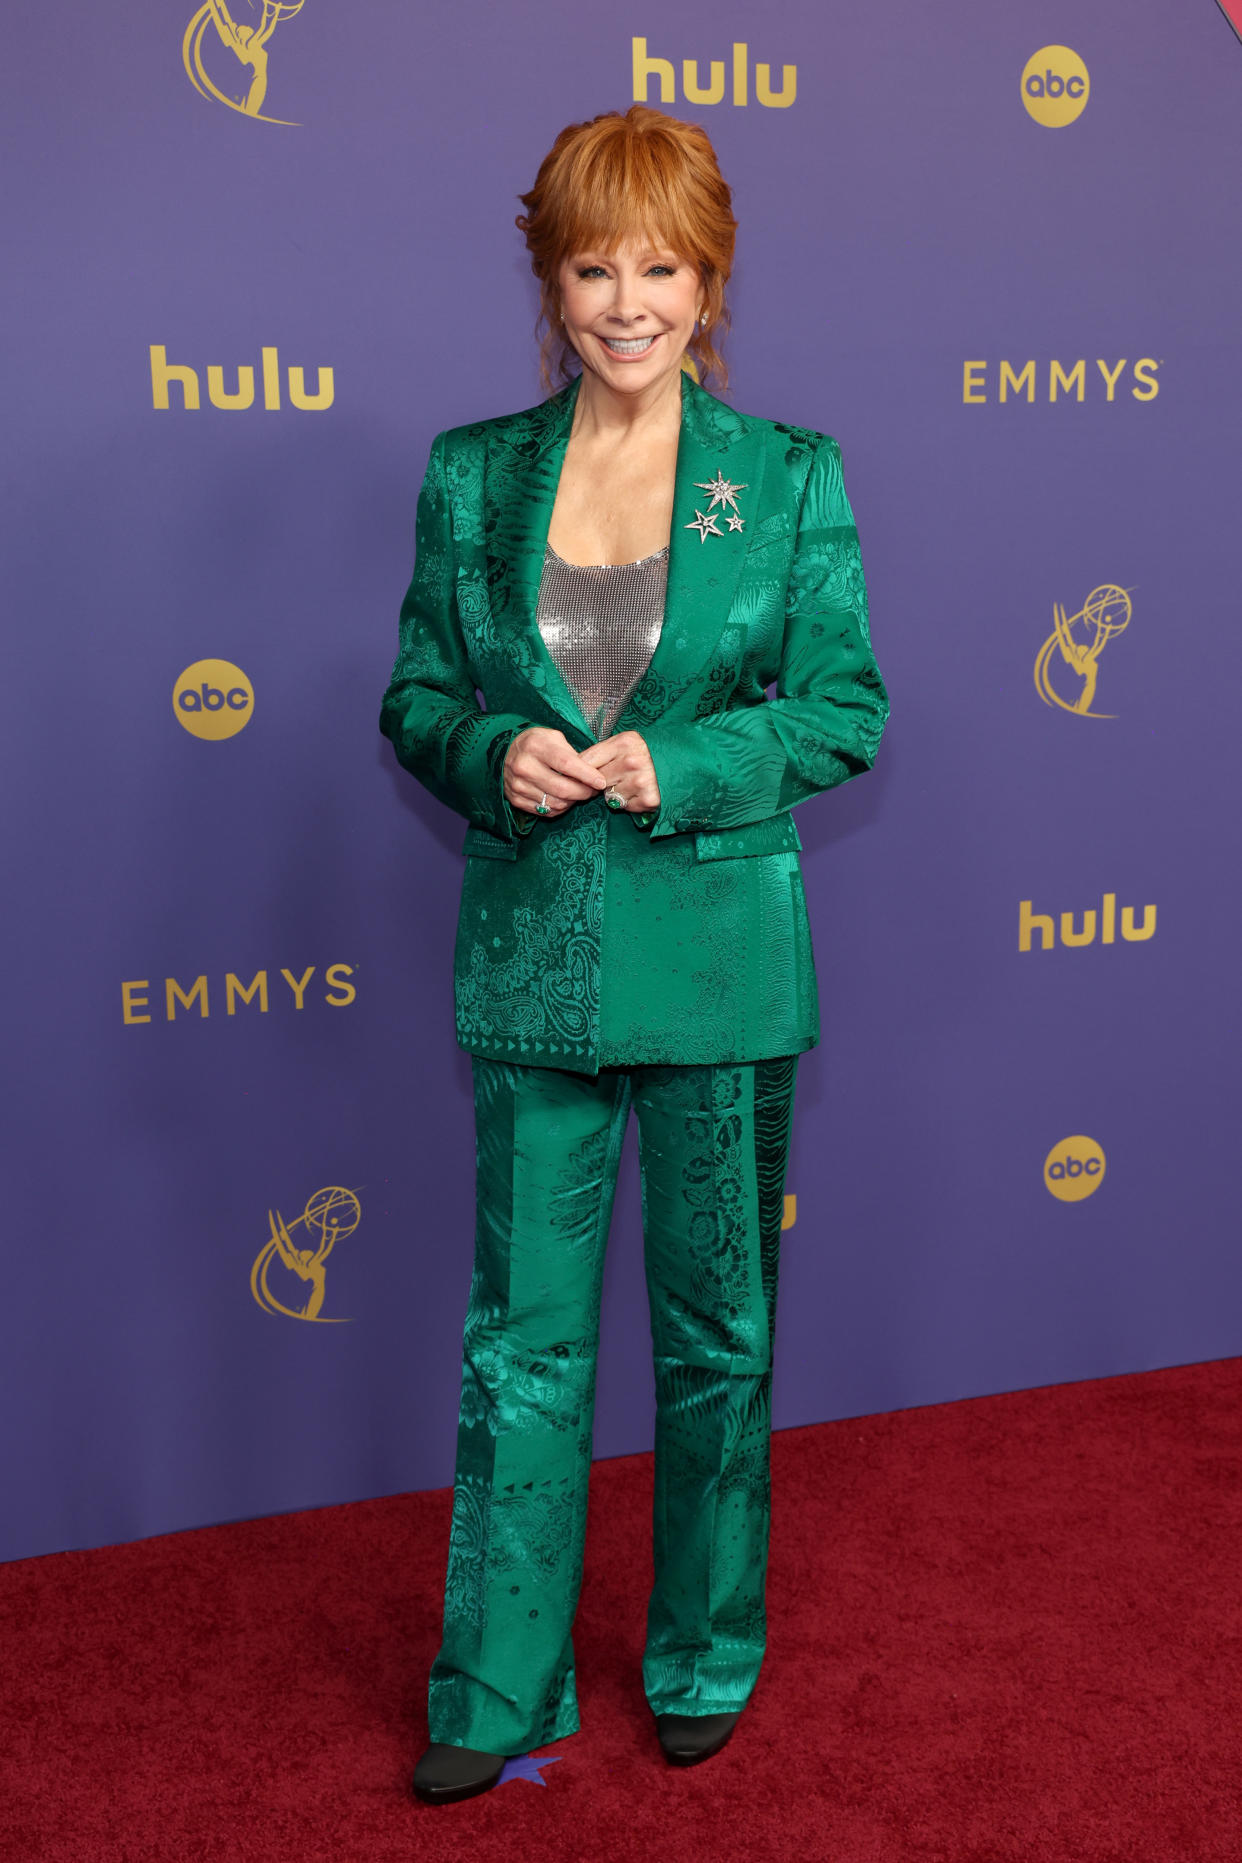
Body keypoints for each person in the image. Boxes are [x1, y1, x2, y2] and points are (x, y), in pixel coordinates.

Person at [379, 103, 889, 1806]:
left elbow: (844, 711)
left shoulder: (789, 473)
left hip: (721, 964)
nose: (624, 301)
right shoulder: (473, 472)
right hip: (532, 955)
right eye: (592, 265)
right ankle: (496, 1680)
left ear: (708, 276)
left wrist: (692, 764)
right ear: (549, 275)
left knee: (715, 1339)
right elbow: (417, 697)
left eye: (657, 266)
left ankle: (701, 1652)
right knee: (516, 1341)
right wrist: (484, 756)